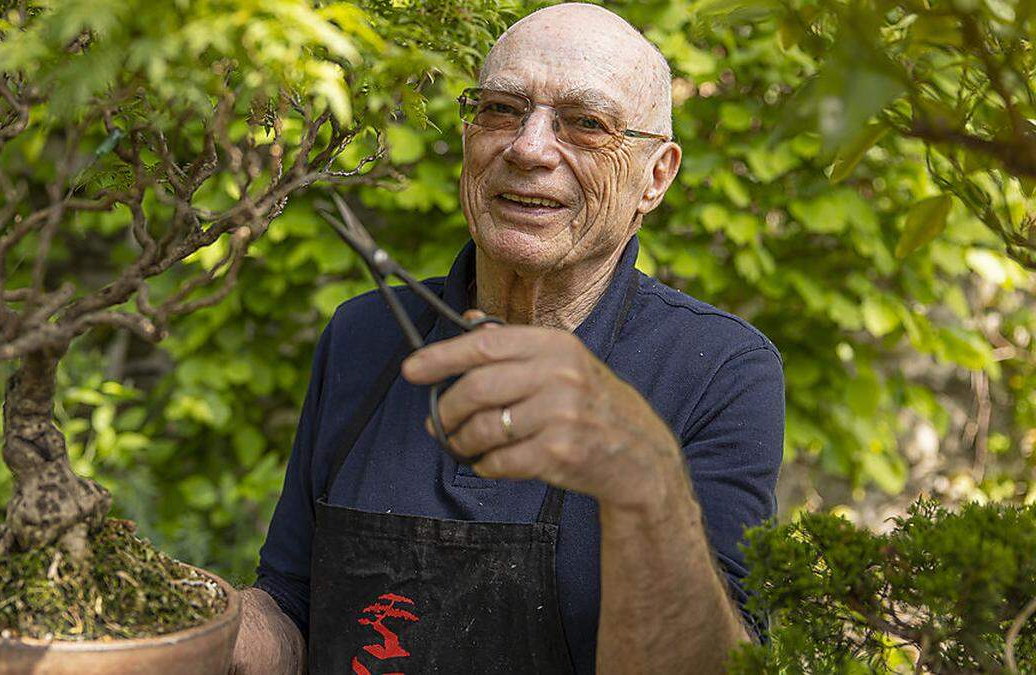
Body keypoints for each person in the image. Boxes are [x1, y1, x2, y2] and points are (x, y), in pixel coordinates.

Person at [231, 4, 784, 673]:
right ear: (468, 137)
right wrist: (193, 624)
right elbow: (291, 607)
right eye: (500, 108)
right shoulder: (364, 333)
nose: (528, 147)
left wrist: (646, 479)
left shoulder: (718, 369)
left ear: (656, 176)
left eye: (586, 124)